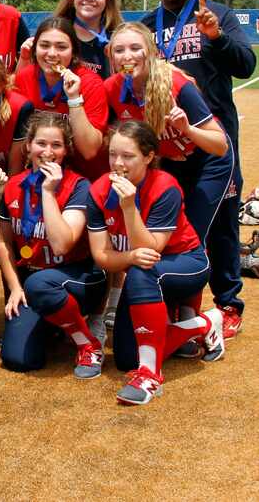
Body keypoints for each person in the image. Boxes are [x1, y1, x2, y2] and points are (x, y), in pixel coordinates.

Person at [141, 0, 256, 339]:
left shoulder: (218, 15)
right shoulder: (147, 25)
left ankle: (228, 302)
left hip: (212, 141)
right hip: (168, 145)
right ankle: (178, 298)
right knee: (172, 221)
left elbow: (246, 65)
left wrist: (218, 37)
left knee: (223, 222)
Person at [86, 121, 225, 405]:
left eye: (128, 156)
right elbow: (102, 256)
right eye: (113, 154)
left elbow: (150, 250)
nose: (118, 163)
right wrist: (127, 257)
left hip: (188, 263)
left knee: (142, 270)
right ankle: (205, 323)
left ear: (149, 157)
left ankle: (150, 375)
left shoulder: (164, 186)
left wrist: (128, 207)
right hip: (145, 271)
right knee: (125, 358)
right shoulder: (98, 191)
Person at [0, 112, 106, 375]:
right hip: (32, 284)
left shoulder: (79, 185)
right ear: (28, 146)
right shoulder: (13, 185)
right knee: (19, 360)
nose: (48, 151)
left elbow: (61, 245)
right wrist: (13, 287)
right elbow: (3, 242)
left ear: (66, 150)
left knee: (39, 284)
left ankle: (87, 344)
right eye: (41, 144)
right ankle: (55, 324)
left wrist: (48, 191)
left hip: (78, 279)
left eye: (56, 145)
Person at [13, 17, 108, 180]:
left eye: (61, 47)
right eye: (44, 45)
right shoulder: (24, 78)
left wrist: (74, 99)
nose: (51, 53)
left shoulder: (89, 83)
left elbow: (89, 150)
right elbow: (17, 140)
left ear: (74, 52)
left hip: (84, 178)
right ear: (35, 49)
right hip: (36, 174)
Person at [17, 0, 121, 79]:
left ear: (108, 0)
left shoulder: (117, 40)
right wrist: (25, 58)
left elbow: (129, 78)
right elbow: (21, 83)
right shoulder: (51, 34)